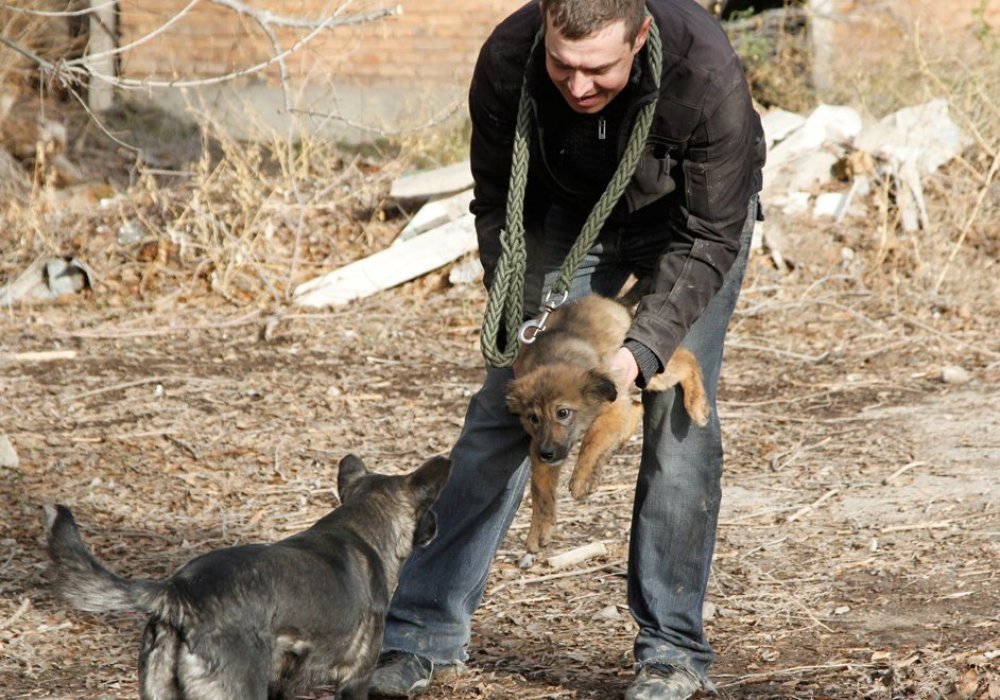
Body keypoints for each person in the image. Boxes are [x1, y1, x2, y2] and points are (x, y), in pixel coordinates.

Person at [370, 0, 765, 698]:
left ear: (640, 38)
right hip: (570, 223)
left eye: (599, 70)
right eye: (563, 65)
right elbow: (497, 203)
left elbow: (710, 238)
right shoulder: (507, 59)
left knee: (676, 424)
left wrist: (640, 351)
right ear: (546, 28)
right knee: (504, 410)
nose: (578, 86)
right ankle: (421, 634)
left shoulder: (703, 71)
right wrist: (522, 317)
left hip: (686, 233)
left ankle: (670, 651)